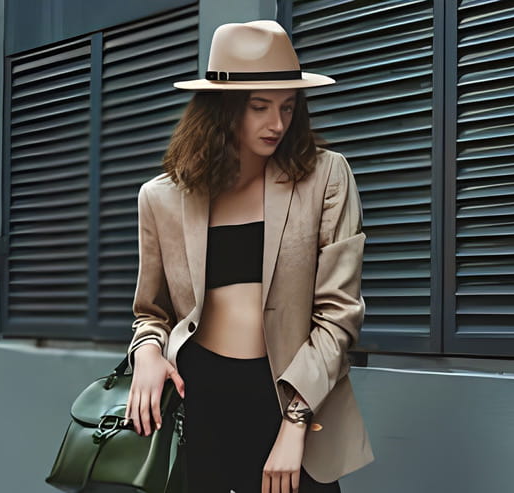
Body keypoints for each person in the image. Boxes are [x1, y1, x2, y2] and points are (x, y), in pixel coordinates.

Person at [122, 20, 374, 493]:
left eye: (287, 106)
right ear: (221, 108)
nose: (277, 123)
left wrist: (294, 422)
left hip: (293, 399)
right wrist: (149, 353)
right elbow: (150, 314)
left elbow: (340, 315)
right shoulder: (161, 198)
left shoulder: (326, 177)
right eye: (260, 107)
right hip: (203, 407)